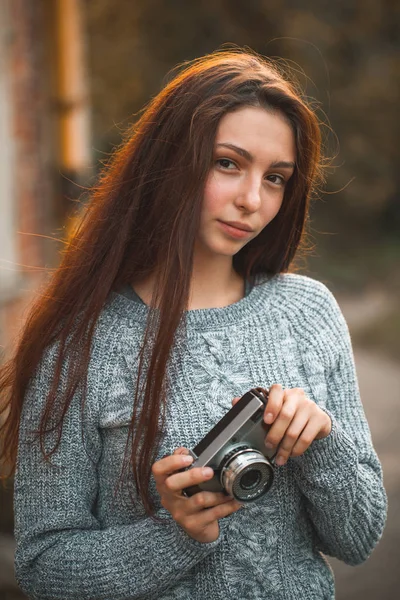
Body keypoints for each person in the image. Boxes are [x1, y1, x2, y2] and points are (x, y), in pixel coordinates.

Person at [0, 48, 387, 600]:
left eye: (276, 178)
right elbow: (42, 565)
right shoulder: (79, 341)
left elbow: (359, 538)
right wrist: (174, 534)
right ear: (170, 162)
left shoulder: (308, 312)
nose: (252, 200)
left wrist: (321, 440)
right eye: (227, 163)